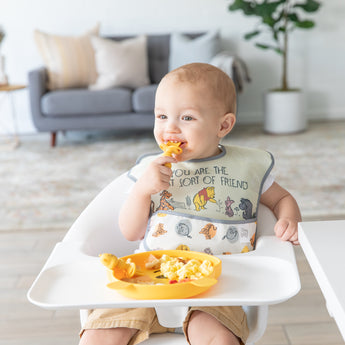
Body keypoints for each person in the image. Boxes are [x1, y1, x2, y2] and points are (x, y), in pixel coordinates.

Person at [80, 63, 301, 345]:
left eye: (186, 117)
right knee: (99, 334)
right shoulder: (151, 170)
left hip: (219, 287)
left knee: (218, 340)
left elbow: (282, 199)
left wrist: (290, 218)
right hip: (148, 281)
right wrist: (141, 192)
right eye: (161, 116)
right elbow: (130, 232)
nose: (169, 127)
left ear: (224, 125)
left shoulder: (247, 166)